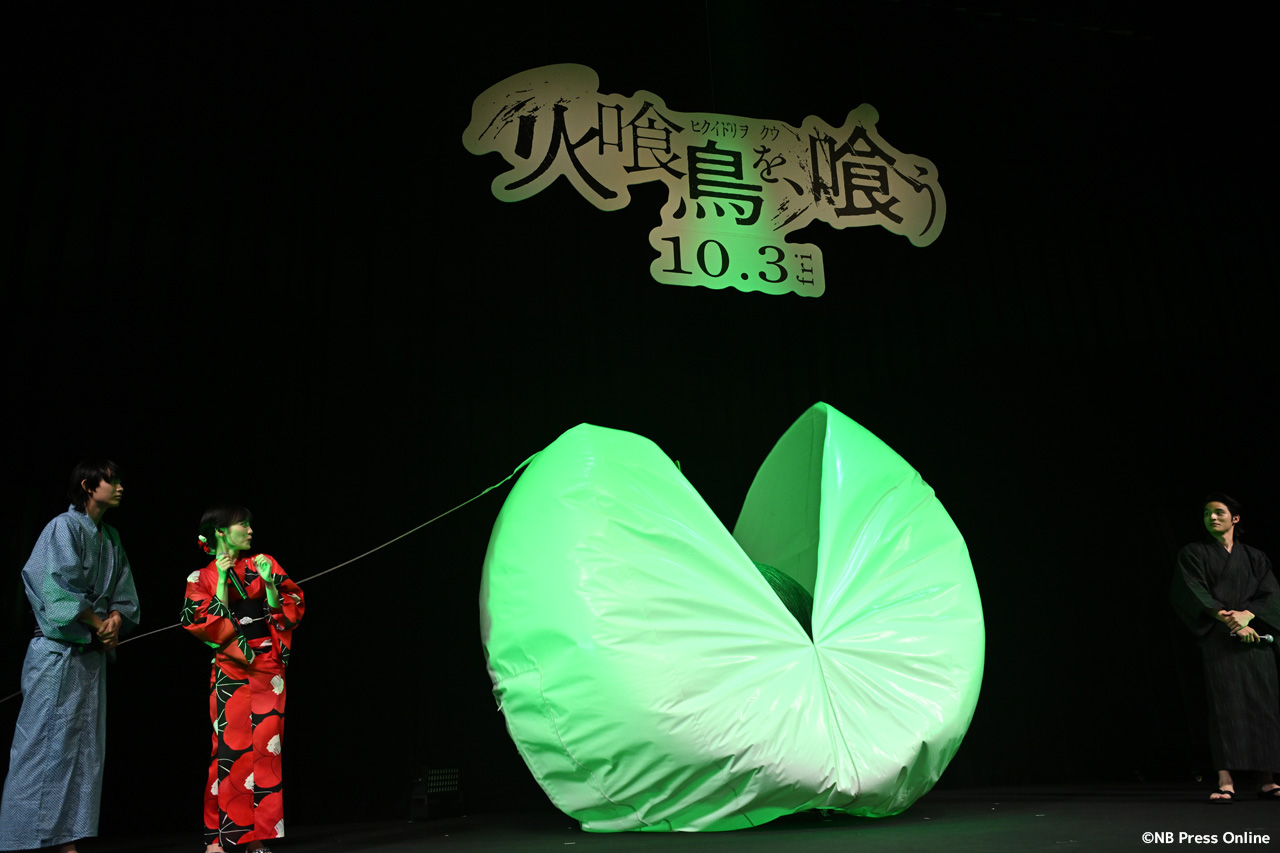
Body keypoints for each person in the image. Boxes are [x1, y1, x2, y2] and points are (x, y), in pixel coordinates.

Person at [0, 460, 141, 853]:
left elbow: (125, 596)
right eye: (111, 481)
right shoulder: (63, 527)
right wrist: (97, 622)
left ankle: (66, 840)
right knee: (42, 746)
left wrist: (115, 619)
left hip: (91, 660)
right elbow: (55, 586)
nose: (119, 487)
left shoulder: (111, 537)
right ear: (87, 485)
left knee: (83, 750)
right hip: (57, 653)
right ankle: (23, 840)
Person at [181, 505, 304, 853]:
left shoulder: (264, 562)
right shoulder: (200, 577)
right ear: (220, 531)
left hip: (267, 667)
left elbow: (289, 610)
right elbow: (206, 623)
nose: (250, 531)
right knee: (227, 751)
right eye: (242, 525)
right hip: (231, 669)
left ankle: (256, 840)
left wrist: (269, 584)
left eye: (250, 525)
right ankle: (216, 839)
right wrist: (221, 579)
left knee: (266, 751)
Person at [1171, 493, 1280, 802]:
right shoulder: (1193, 553)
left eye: (1219, 512)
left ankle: (1267, 779)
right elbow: (1192, 591)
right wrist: (1228, 619)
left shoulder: (1255, 557)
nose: (1212, 517)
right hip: (1219, 639)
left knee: (1264, 706)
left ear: (1235, 518)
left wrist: (1247, 616)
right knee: (1225, 706)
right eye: (1207, 513)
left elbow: (1271, 594)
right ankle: (1225, 780)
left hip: (1255, 639)